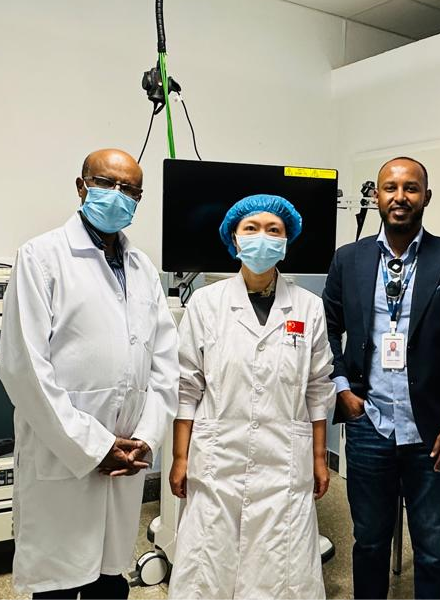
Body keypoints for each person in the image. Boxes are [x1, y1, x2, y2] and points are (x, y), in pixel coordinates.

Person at [0, 148, 179, 599]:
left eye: (130, 189)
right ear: (82, 187)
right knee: (58, 584)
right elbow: (24, 369)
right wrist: (95, 447)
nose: (118, 195)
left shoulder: (142, 268)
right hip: (63, 453)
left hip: (128, 452)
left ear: (139, 200)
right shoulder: (40, 257)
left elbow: (164, 362)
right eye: (106, 183)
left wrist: (147, 437)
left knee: (111, 579)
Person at [323, 157, 440, 600]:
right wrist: (342, 389)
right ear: (377, 197)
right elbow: (327, 330)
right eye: (390, 188)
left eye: (411, 188)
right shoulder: (349, 260)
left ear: (426, 197)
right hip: (368, 425)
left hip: (434, 430)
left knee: (433, 550)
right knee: (369, 542)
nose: (400, 197)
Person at [167, 194, 336, 600]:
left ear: (286, 240)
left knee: (281, 563)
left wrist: (318, 457)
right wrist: (180, 457)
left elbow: (317, 387)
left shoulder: (309, 308)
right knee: (210, 559)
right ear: (234, 238)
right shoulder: (206, 303)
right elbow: (187, 385)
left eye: (273, 230)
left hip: (284, 459)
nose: (263, 237)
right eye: (252, 228)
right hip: (218, 456)